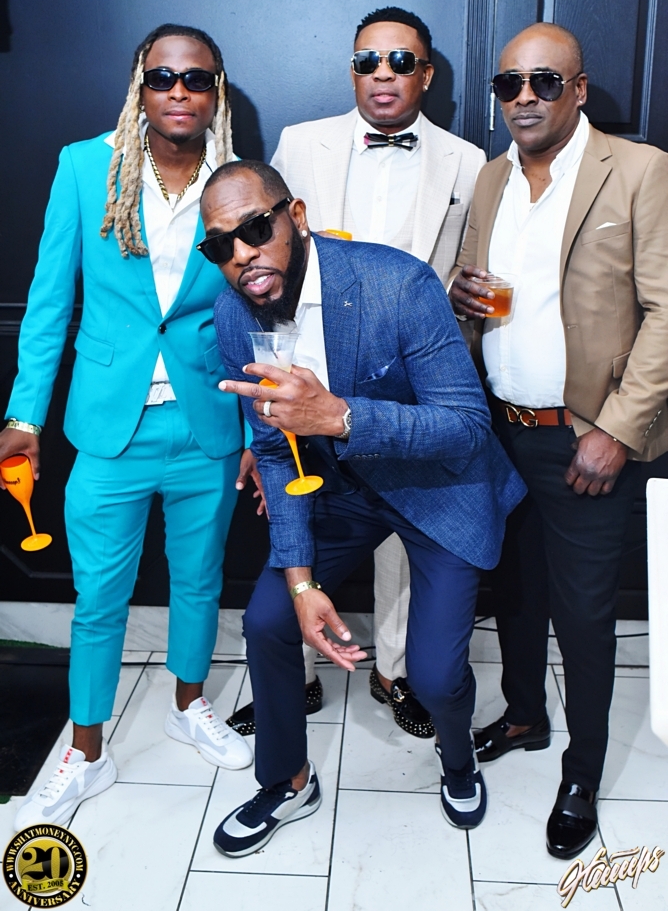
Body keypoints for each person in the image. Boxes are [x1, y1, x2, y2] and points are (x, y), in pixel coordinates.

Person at [196, 158, 525, 855]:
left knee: (435, 676)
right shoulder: (232, 314)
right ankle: (287, 780)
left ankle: (458, 760)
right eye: (220, 245)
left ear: (296, 217)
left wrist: (341, 417)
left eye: (255, 229)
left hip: (437, 486)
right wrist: (302, 584)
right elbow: (276, 451)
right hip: (340, 489)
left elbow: (467, 427)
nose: (242, 254)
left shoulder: (396, 284)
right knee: (267, 620)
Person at [2, 24, 261, 832]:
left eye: (196, 79)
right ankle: (86, 750)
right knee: (98, 599)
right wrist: (24, 415)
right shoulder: (86, 167)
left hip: (208, 420)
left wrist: (258, 430)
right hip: (109, 427)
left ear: (216, 90)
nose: (179, 91)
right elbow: (49, 301)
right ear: (140, 87)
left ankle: (189, 705)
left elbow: (263, 309)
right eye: (162, 77)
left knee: (199, 581)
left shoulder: (239, 181)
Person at [226, 6, 486, 740]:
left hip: (406, 390)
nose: (383, 74)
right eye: (368, 61)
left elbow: (465, 268)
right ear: (352, 71)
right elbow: (264, 270)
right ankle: (298, 676)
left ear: (426, 75)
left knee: (410, 537)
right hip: (305, 387)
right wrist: (266, 424)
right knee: (298, 518)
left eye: (401, 61)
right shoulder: (299, 143)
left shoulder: (466, 161)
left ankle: (395, 672)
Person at [450, 22, 668, 859]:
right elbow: (473, 291)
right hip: (499, 430)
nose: (525, 97)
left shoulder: (639, 171)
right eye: (509, 83)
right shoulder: (492, 177)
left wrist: (616, 430)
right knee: (515, 591)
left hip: (584, 440)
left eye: (544, 81)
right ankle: (524, 717)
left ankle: (582, 773)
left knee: (582, 616)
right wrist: (461, 298)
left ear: (578, 89)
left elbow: (665, 314)